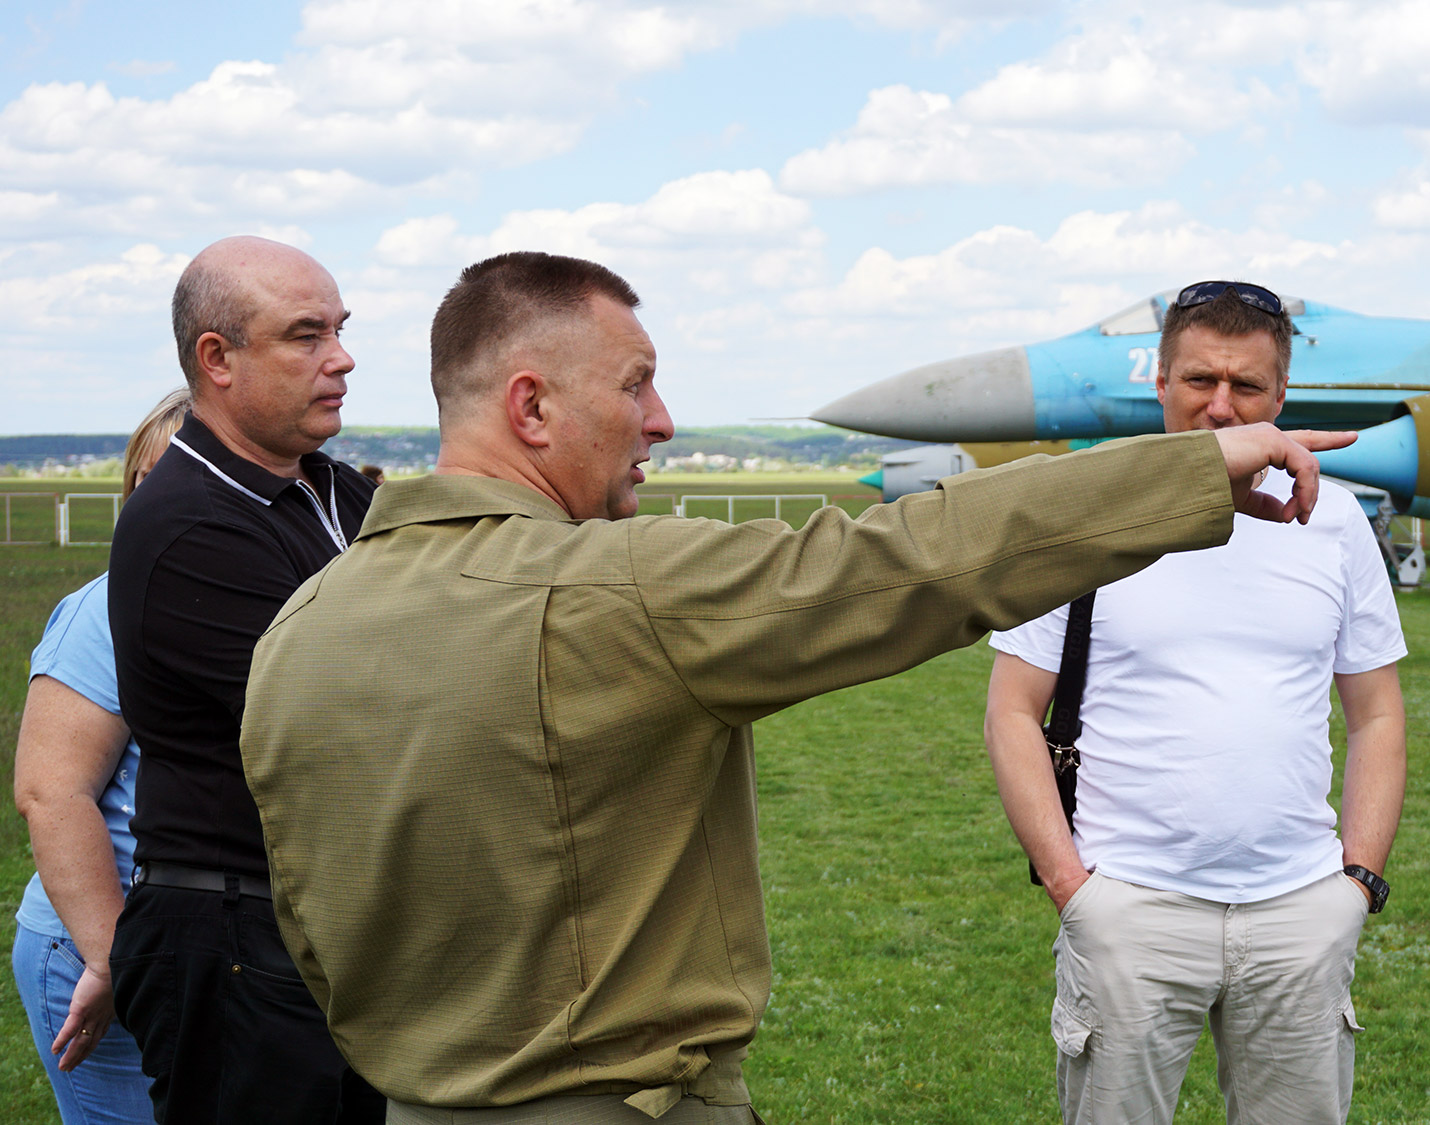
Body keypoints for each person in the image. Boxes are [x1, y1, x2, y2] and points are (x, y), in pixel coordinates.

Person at [235, 251, 1353, 1124]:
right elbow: (906, 561)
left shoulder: (302, 626)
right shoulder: (613, 590)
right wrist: (1186, 472)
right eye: (636, 384)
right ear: (530, 408)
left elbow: (309, 921)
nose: (662, 421)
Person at [983, 280, 1408, 1125]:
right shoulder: (1088, 511)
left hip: (1299, 909)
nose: (1220, 405)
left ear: (1280, 396)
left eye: (1246, 385)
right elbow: (1011, 711)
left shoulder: (1332, 519)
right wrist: (1074, 888)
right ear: (1160, 382)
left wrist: (1355, 882)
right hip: (1131, 907)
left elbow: (1379, 713)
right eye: (1198, 380)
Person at [105, 236, 383, 1123]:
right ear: (217, 359)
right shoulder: (191, 524)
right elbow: (364, 717)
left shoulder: (335, 491)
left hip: (323, 928)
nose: (341, 358)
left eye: (339, 329)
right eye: (306, 335)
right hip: (238, 940)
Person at [13, 388, 190, 1125]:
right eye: (150, 480)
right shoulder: (107, 607)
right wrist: (111, 958)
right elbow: (51, 791)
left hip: (195, 947)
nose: (163, 500)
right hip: (102, 950)